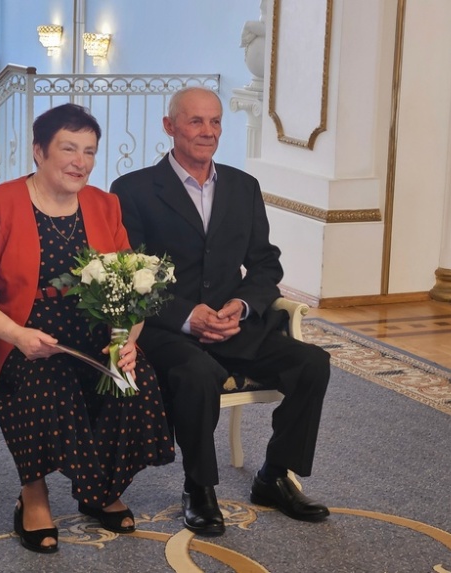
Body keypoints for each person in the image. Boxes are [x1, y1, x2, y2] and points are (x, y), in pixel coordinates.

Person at [0, 103, 175, 553]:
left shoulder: (104, 205)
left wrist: (127, 342)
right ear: (39, 151)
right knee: (48, 384)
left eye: (89, 151)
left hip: (93, 336)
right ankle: (33, 496)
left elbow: (133, 285)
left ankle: (101, 490)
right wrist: (18, 335)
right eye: (69, 149)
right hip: (23, 340)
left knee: (135, 381)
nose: (80, 162)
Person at [109, 87, 331, 537]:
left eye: (215, 122)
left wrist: (241, 306)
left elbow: (266, 264)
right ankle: (199, 488)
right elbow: (129, 275)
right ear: (170, 126)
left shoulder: (243, 187)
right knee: (198, 375)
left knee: (312, 364)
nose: (207, 131)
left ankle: (274, 476)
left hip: (234, 325)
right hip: (168, 328)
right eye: (195, 121)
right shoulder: (132, 190)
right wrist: (188, 315)